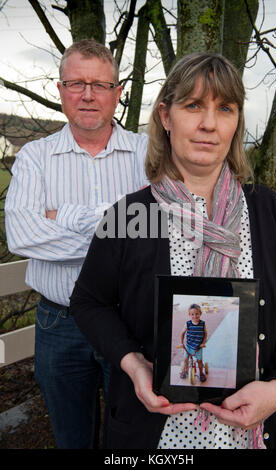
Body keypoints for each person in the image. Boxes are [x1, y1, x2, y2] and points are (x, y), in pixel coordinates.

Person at [70, 52, 276, 449]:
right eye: (193, 105)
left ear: (236, 121)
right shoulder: (132, 214)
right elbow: (89, 303)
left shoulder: (266, 212)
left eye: (224, 108)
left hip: (254, 431)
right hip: (159, 436)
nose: (209, 124)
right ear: (165, 116)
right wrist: (133, 363)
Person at [4, 39, 148, 449]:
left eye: (100, 85)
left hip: (130, 322)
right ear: (60, 89)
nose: (88, 95)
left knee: (132, 439)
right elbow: (22, 234)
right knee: (72, 439)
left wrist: (60, 215)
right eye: (77, 83)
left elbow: (158, 229)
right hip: (59, 324)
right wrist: (118, 227)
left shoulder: (150, 154)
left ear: (117, 93)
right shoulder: (34, 157)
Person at [180, 304, 207, 382]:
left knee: (199, 361)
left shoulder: (202, 324)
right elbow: (182, 333)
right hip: (188, 346)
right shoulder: (188, 323)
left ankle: (201, 373)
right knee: (185, 360)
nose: (195, 316)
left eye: (197, 314)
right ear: (189, 315)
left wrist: (204, 342)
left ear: (200, 313)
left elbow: (205, 333)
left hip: (198, 347)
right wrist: (181, 343)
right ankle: (184, 371)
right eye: (192, 314)